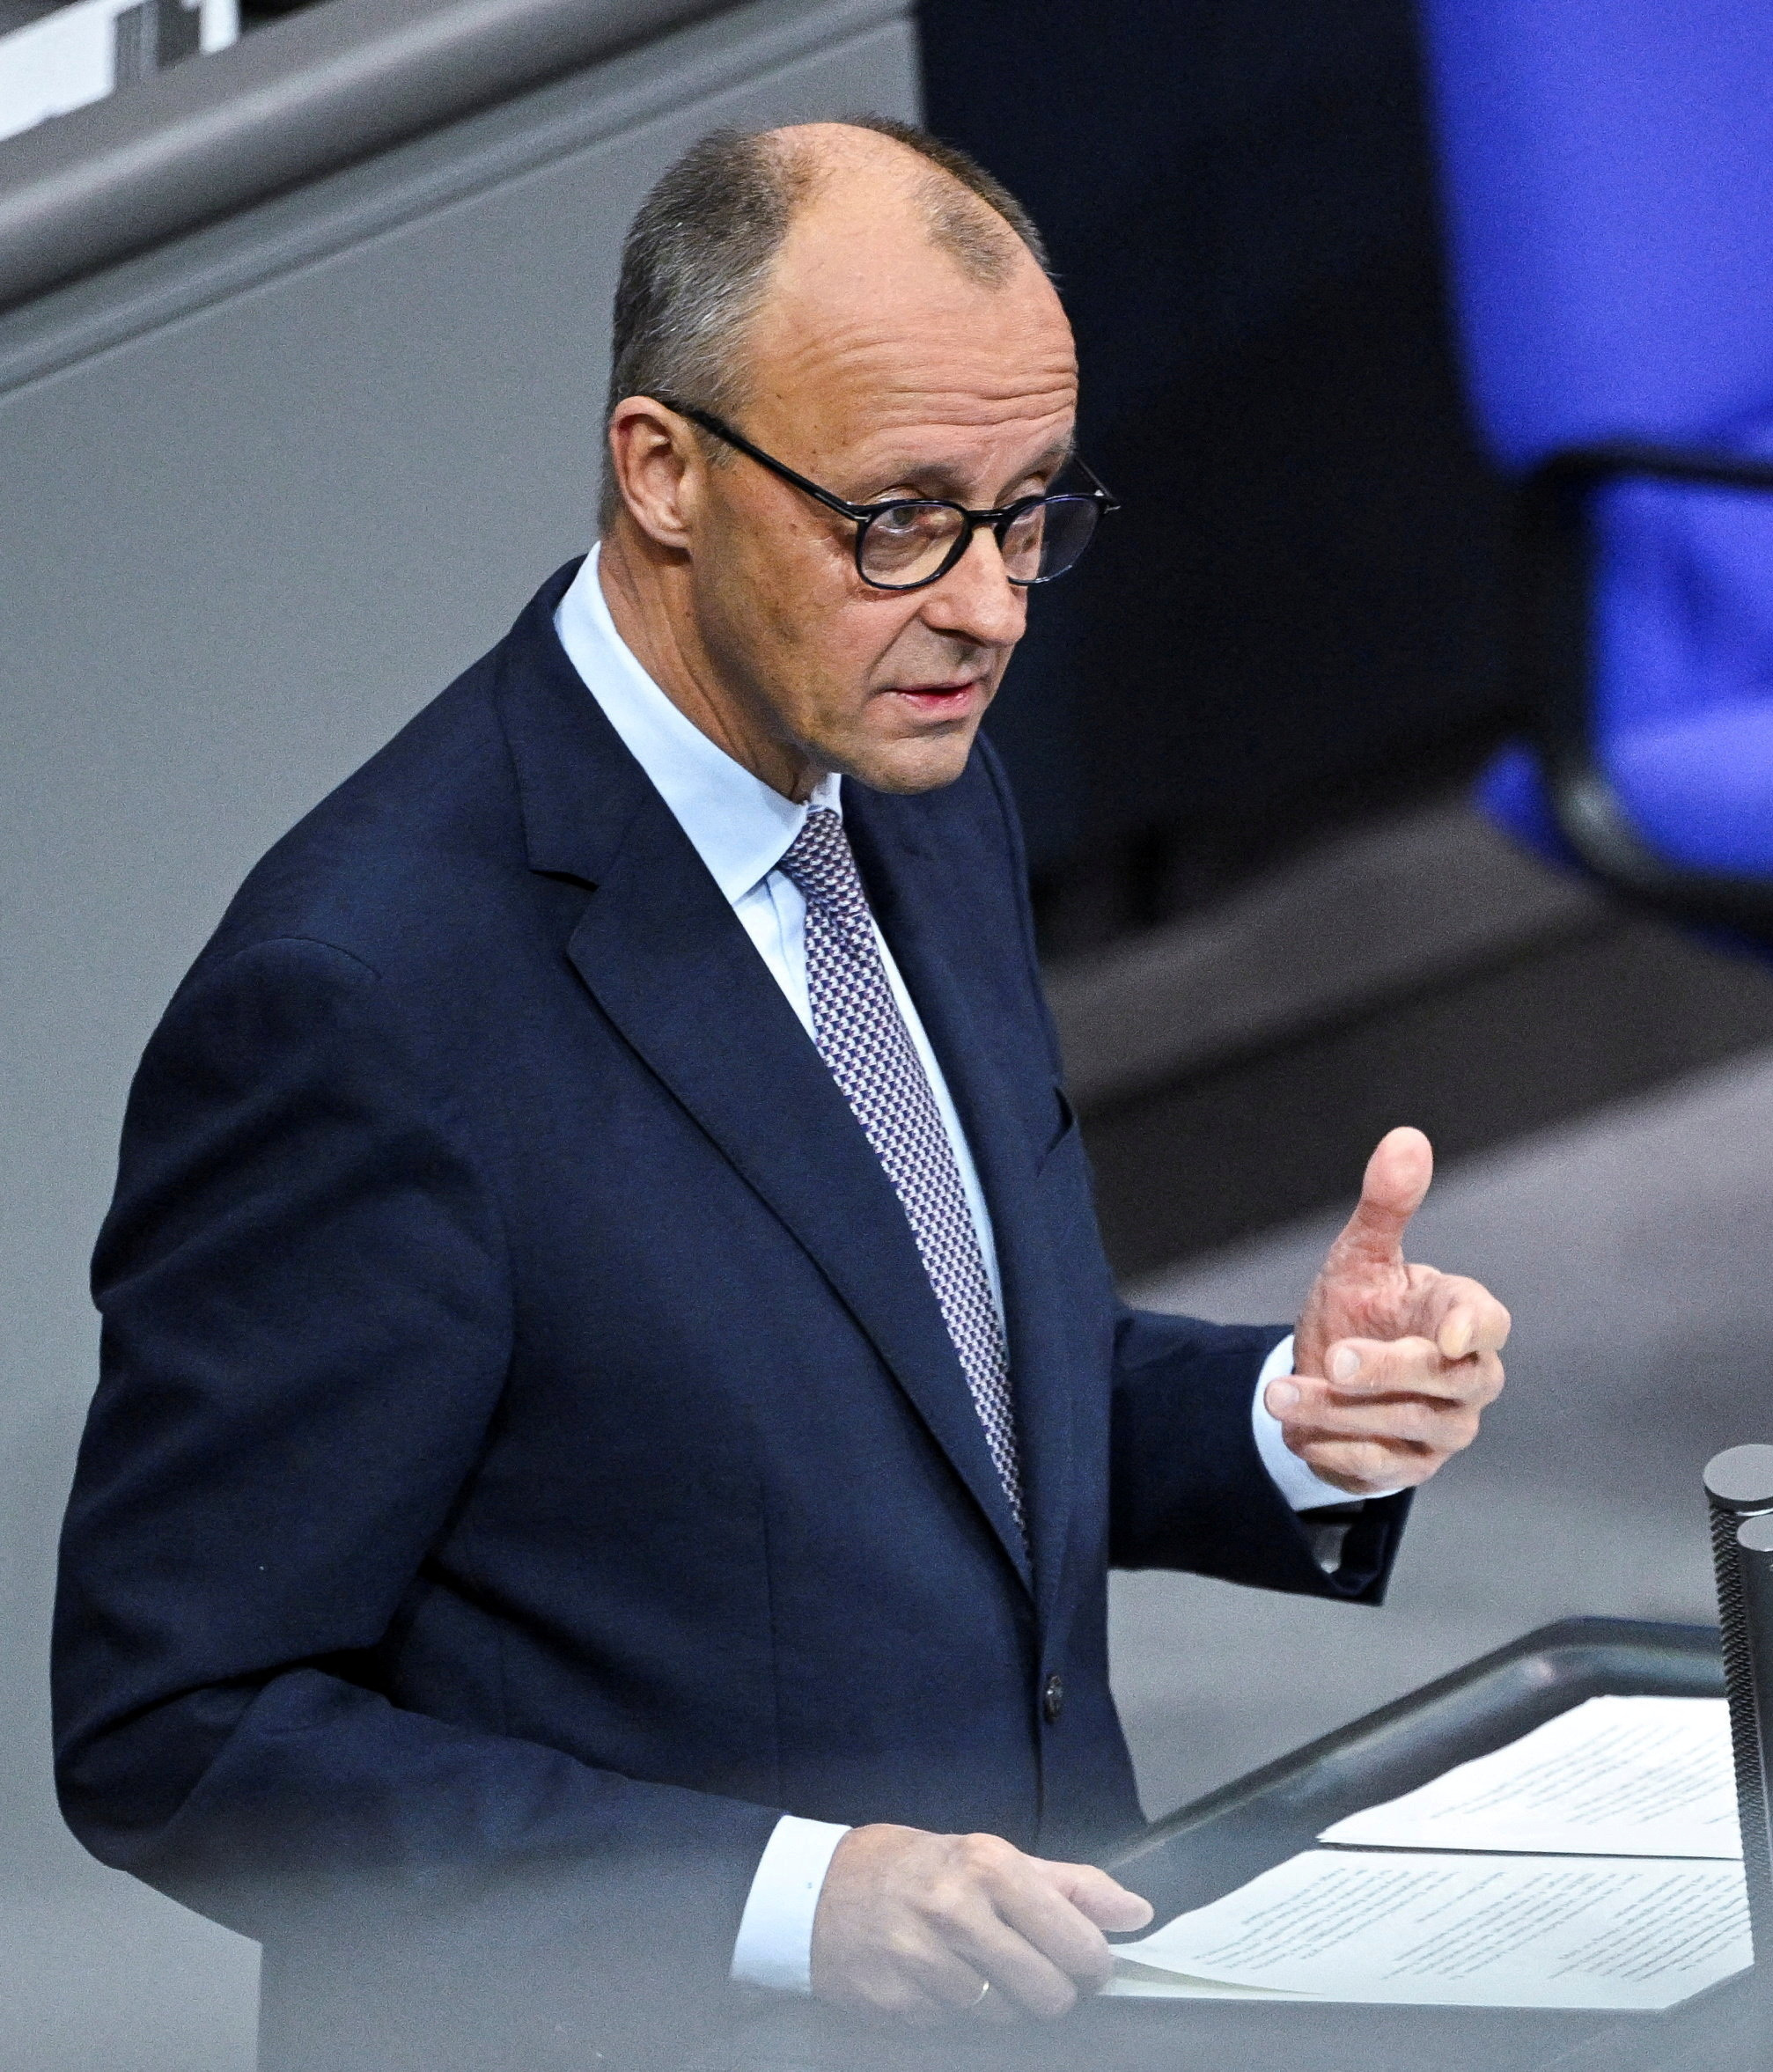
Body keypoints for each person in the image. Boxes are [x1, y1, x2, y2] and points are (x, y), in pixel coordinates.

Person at [53, 118, 1511, 2069]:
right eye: (900, 519)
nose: (990, 606)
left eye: (1029, 513)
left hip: (1037, 2009)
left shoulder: (916, 792)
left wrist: (1288, 1419)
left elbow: (932, 1390)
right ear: (663, 470)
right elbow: (178, 1729)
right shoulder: (357, 1002)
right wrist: (783, 1901)